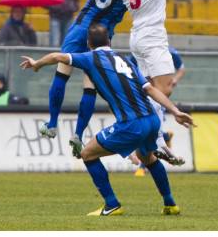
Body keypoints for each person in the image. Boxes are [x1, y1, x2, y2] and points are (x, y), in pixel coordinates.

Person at [20, 23, 193, 216]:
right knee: (148, 157)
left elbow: (56, 57)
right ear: (109, 41)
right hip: (152, 120)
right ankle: (170, 204)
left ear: (88, 43)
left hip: (131, 123)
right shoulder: (125, 60)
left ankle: (112, 204)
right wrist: (175, 111)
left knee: (87, 154)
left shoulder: (90, 57)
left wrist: (37, 64)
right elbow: (150, 89)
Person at [113, 0, 218, 164]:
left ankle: (150, 140)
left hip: (136, 37)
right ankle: (151, 140)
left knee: (149, 90)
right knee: (163, 91)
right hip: (153, 38)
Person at [38, 0, 132, 150]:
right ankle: (78, 135)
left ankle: (53, 123)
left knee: (62, 71)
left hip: (82, 25)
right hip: (102, 35)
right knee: (90, 87)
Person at [133, 45, 184, 177]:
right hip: (145, 94)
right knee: (151, 131)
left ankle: (142, 166)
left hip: (156, 95)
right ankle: (166, 138)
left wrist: (173, 81)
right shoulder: (138, 53)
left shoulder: (169, 52)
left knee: (149, 130)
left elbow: (181, 69)